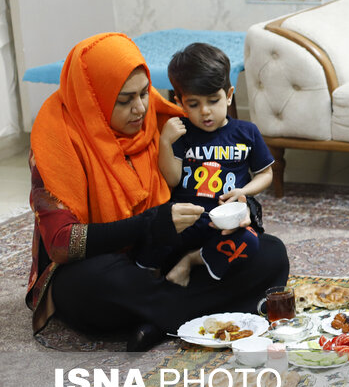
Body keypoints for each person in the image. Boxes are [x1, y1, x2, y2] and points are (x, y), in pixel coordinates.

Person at [26, 33, 289, 351]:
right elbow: (61, 244)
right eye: (124, 101)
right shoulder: (57, 141)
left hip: (166, 254)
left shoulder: (163, 121)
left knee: (270, 253)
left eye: (144, 94)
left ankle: (159, 323)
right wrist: (150, 222)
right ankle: (187, 314)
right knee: (87, 285)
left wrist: (245, 207)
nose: (139, 109)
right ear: (93, 99)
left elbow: (214, 187)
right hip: (106, 267)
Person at [148, 42, 274, 286]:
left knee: (251, 242)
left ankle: (192, 261)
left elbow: (266, 174)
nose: (205, 112)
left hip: (226, 223)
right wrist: (165, 141)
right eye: (193, 104)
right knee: (151, 241)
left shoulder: (246, 132)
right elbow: (172, 179)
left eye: (213, 101)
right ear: (180, 102)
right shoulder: (180, 133)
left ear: (228, 96)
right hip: (187, 222)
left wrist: (244, 192)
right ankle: (158, 283)